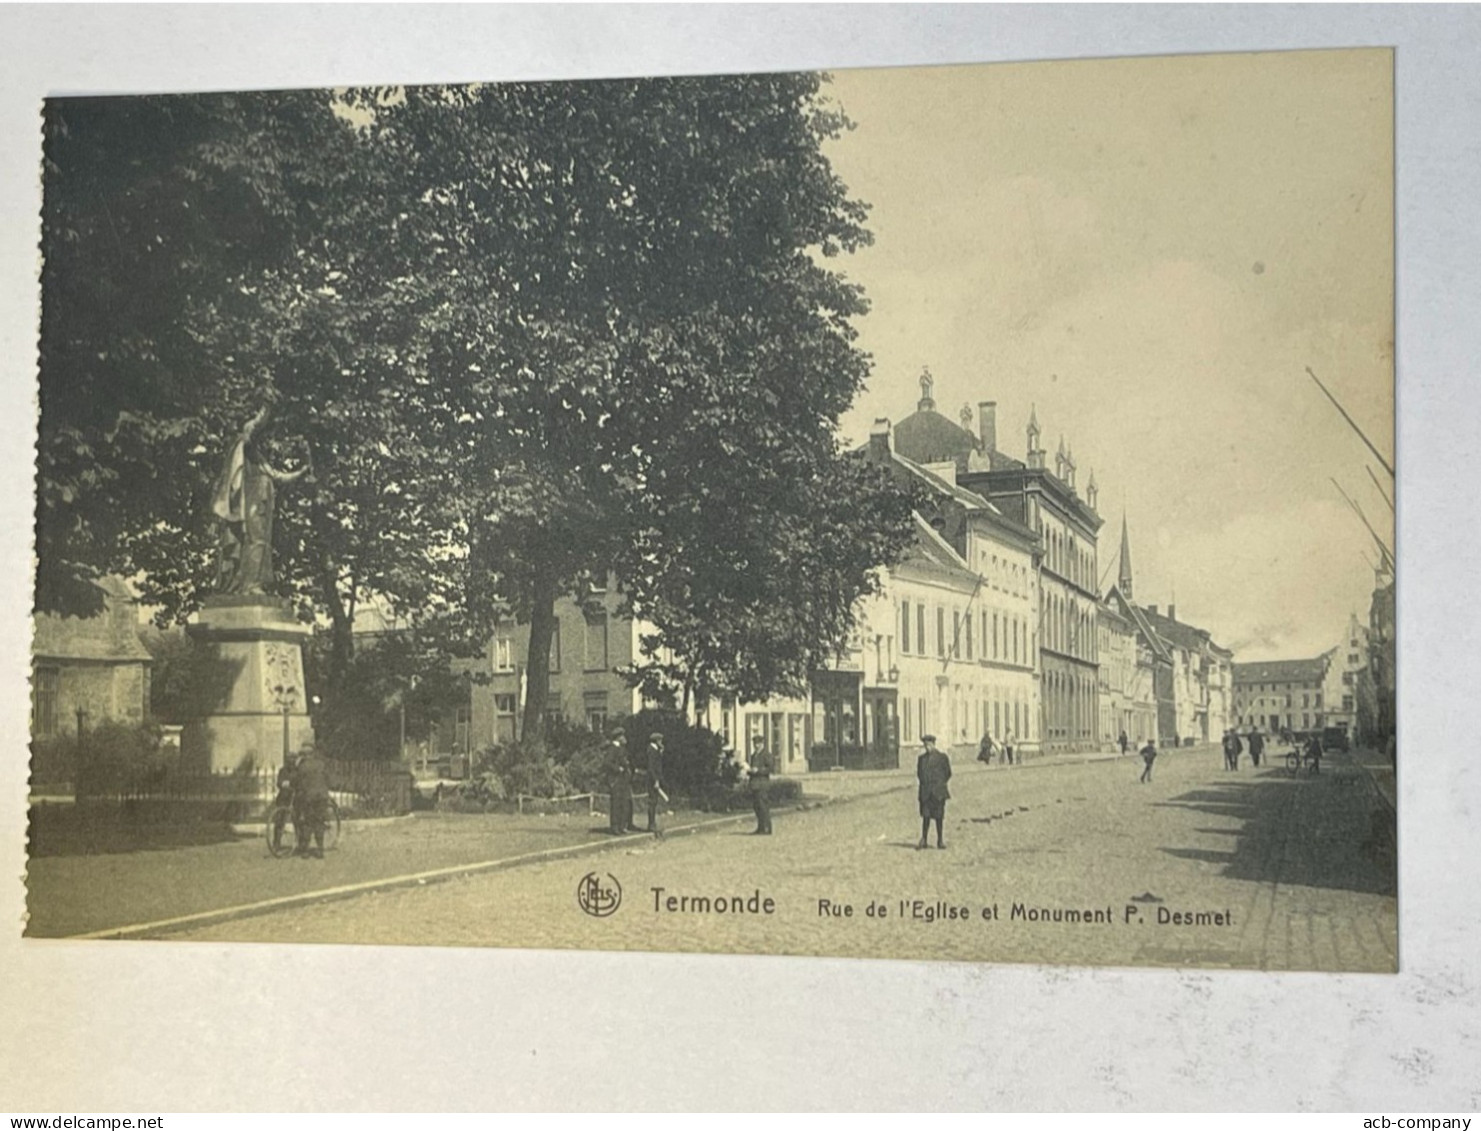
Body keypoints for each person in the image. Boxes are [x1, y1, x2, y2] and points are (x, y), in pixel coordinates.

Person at [211, 404, 309, 595]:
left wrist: (302, 471)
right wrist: (267, 406)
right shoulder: (244, 448)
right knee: (255, 539)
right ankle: (250, 585)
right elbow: (252, 430)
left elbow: (280, 477)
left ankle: (255, 583)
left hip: (264, 499)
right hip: (253, 498)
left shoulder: (260, 459)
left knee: (262, 541)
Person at [290, 742, 331, 858]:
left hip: (309, 798)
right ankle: (320, 849)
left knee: (307, 822)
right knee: (319, 822)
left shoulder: (302, 766)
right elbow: (328, 778)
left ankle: (306, 850)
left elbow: (295, 780)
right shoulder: (321, 764)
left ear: (304, 755)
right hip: (322, 797)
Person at [916, 735, 952, 850]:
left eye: (929, 745)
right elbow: (919, 774)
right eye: (925, 745)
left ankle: (940, 840)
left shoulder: (942, 758)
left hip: (938, 792)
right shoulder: (922, 759)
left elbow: (948, 773)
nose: (927, 747)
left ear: (933, 744)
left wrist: (940, 784)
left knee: (939, 817)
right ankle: (924, 839)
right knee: (925, 817)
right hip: (926, 793)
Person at [605, 727, 634, 835]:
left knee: (623, 803)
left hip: (623, 780)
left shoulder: (621, 748)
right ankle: (615, 827)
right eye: (622, 736)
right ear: (618, 737)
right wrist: (618, 769)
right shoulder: (612, 748)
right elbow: (607, 763)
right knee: (616, 804)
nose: (624, 738)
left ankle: (622, 826)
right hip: (616, 780)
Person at [269, 752, 298, 855]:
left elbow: (299, 782)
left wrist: (291, 784)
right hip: (283, 798)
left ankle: (299, 841)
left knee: (297, 820)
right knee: (279, 822)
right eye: (289, 760)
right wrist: (282, 784)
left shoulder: (297, 771)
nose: (291, 762)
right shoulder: (283, 770)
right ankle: (276, 843)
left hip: (295, 798)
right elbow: (279, 782)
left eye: (293, 760)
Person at [747, 734, 774, 835]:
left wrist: (758, 770)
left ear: (762, 743)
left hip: (762, 784)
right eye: (755, 743)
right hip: (754, 784)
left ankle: (767, 828)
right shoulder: (754, 755)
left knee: (763, 806)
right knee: (757, 806)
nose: (756, 745)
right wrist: (749, 770)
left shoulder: (766, 755)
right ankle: (760, 827)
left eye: (758, 743)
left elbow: (770, 768)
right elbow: (752, 769)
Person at [644, 732, 667, 838]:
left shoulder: (655, 750)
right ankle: (651, 824)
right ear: (656, 741)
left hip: (655, 779)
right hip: (652, 780)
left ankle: (652, 823)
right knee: (652, 802)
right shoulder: (651, 751)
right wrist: (656, 780)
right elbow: (651, 768)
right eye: (660, 740)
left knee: (654, 801)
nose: (661, 742)